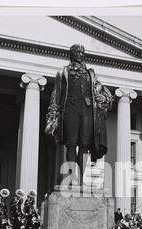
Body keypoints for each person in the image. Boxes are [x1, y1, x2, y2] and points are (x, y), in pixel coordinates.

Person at [45, 44, 113, 187]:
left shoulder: (91, 74)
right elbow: (56, 95)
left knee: (84, 145)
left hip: (87, 110)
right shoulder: (63, 73)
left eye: (83, 52)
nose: (81, 54)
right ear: (72, 54)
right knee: (71, 144)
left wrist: (104, 99)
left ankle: (81, 180)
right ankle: (71, 178)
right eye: (78, 52)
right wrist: (52, 117)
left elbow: (101, 92)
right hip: (70, 109)